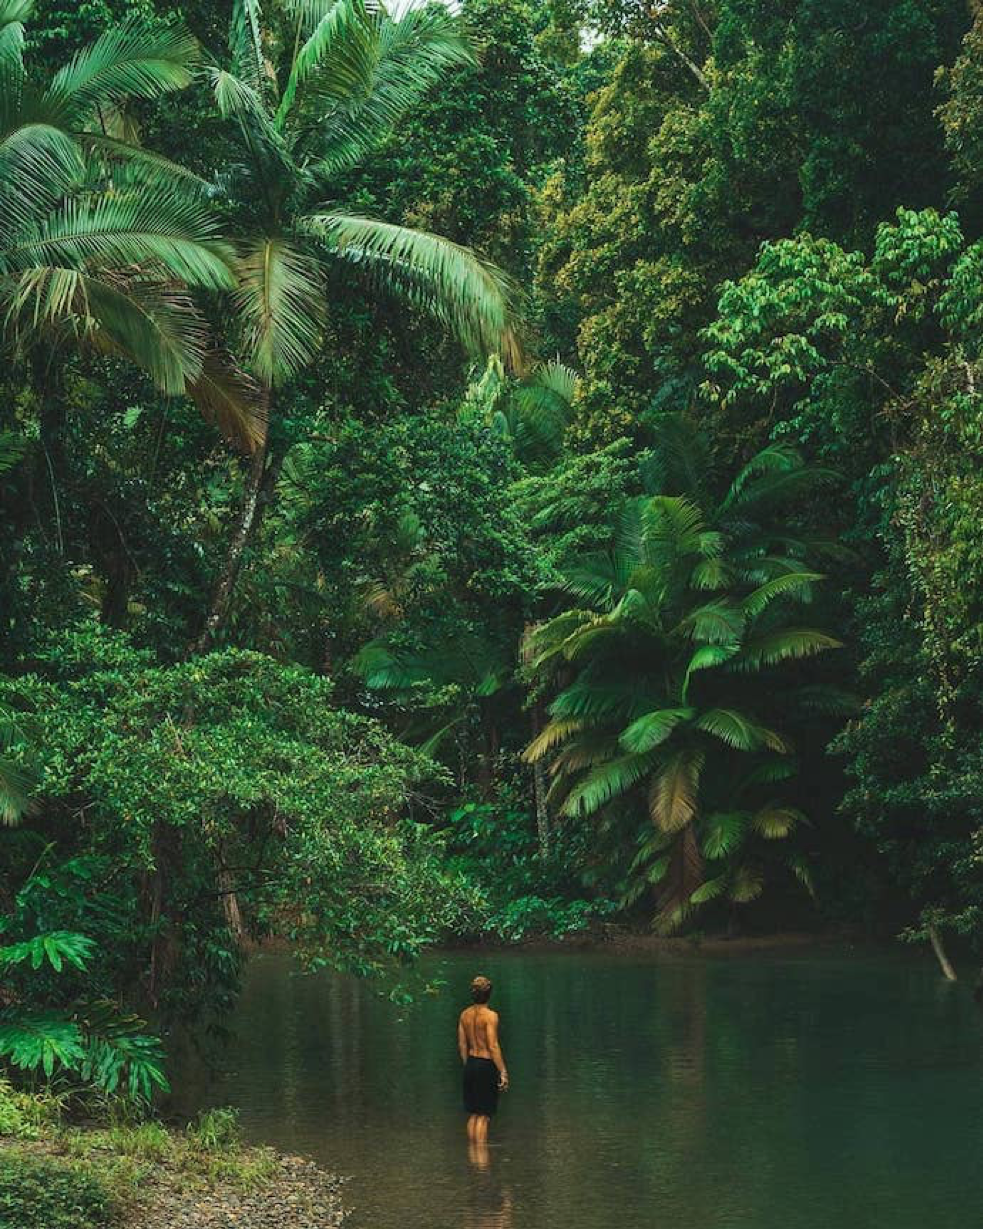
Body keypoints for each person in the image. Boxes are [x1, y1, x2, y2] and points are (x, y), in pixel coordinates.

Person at [458, 974, 509, 1143]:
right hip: (486, 1064)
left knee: (473, 1115)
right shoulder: (490, 1016)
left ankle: (473, 1157)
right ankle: (481, 1161)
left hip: (471, 1063)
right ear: (489, 994)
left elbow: (462, 1045)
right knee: (484, 1116)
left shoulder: (464, 1015)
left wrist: (468, 1065)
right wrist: (503, 1071)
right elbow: (493, 1045)